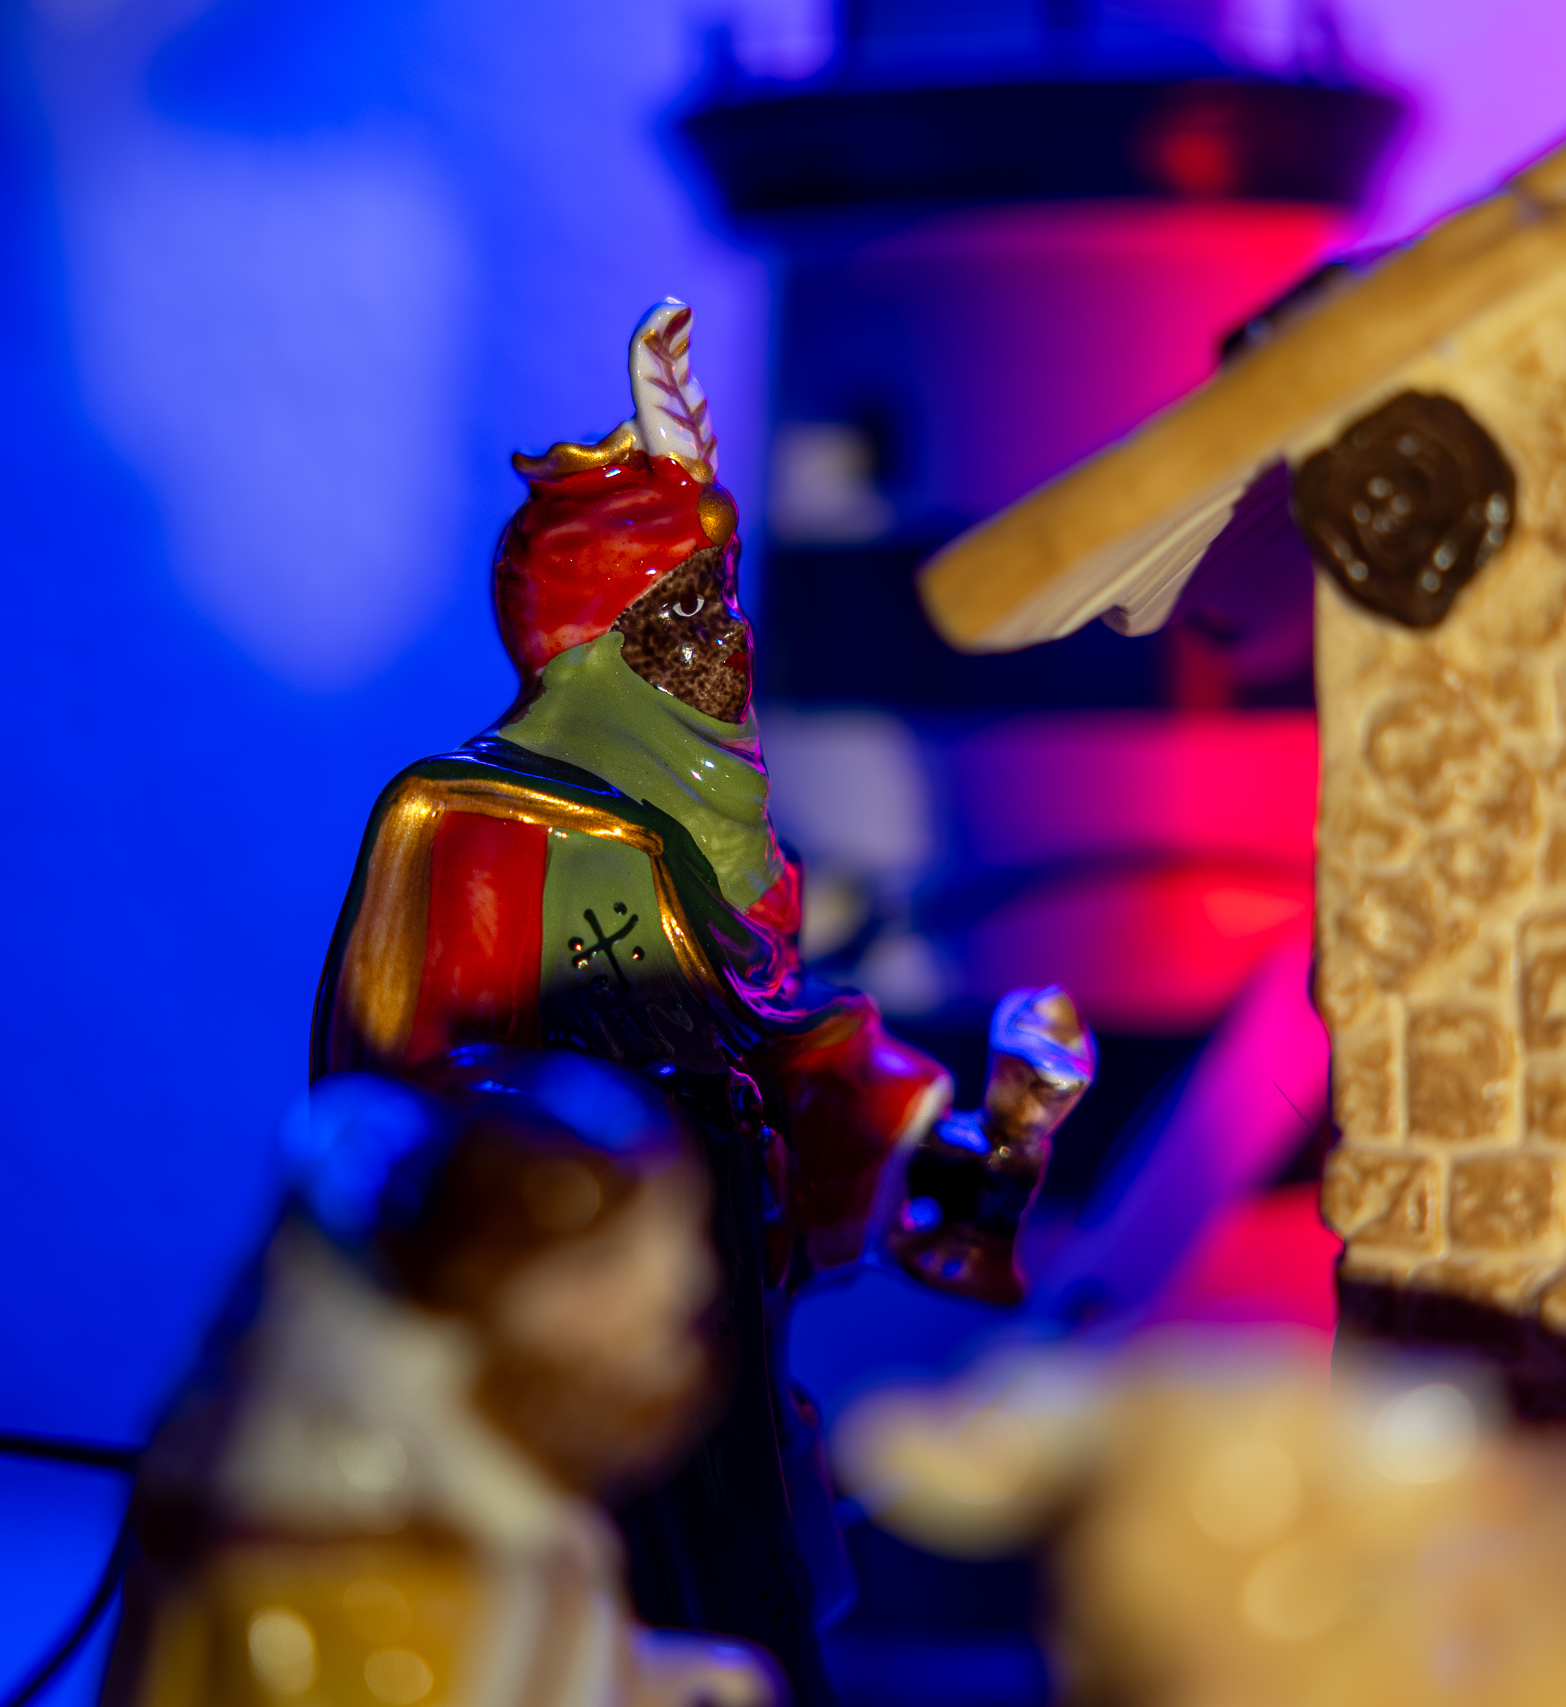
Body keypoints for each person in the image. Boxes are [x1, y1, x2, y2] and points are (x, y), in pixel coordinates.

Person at [310, 301, 1090, 1702]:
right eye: (677, 617)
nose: (722, 643)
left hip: (709, 1359)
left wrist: (988, 1141)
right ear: (591, 647)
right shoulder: (467, 823)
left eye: (720, 602)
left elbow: (793, 1072)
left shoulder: (712, 869)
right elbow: (393, 1112)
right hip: (553, 1378)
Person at [103, 1053, 781, 1707]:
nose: (687, 1287)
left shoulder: (506, 1506)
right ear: (462, 1300)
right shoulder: (318, 1585)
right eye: (605, 1265)